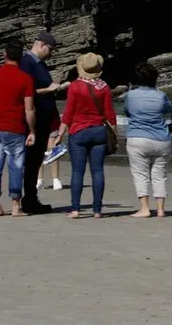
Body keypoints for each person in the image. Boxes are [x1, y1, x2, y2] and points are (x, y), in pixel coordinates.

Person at [54, 53, 116, 219]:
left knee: (77, 171)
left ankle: (75, 209)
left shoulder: (75, 86)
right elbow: (110, 114)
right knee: (97, 171)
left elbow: (68, 113)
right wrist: (115, 134)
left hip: (78, 131)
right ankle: (97, 210)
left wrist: (60, 134)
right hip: (98, 131)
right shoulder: (104, 87)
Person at [0, 41, 37, 217]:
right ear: (21, 57)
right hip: (15, 128)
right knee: (16, 167)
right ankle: (15, 206)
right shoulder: (25, 78)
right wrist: (32, 131)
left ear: (4, 54)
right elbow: (29, 109)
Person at [18, 32, 68, 214]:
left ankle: (31, 199)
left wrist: (55, 89)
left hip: (43, 119)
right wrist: (49, 89)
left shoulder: (40, 64)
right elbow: (27, 92)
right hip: (34, 121)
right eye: (51, 49)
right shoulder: (27, 63)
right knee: (32, 161)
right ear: (41, 45)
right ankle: (29, 200)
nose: (51, 53)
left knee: (36, 159)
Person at [124, 62, 172, 218]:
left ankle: (145, 208)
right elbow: (169, 112)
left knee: (141, 175)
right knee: (160, 175)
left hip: (137, 137)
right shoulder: (161, 95)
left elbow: (127, 112)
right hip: (162, 139)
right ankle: (160, 209)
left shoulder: (131, 95)